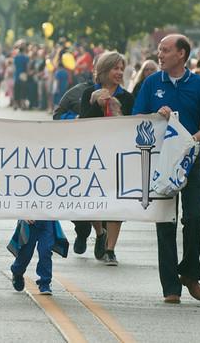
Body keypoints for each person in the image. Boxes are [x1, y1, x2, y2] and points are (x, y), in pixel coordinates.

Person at [132, 34, 200, 304]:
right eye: (159, 50)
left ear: (181, 54)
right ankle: (170, 286)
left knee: (194, 217)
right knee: (165, 223)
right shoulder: (150, 83)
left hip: (191, 162)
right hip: (160, 163)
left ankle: (190, 274)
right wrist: (154, 116)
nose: (160, 54)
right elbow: (137, 119)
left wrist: (191, 142)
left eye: (166, 50)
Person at [76, 51, 132, 265]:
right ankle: (100, 232)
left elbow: (132, 123)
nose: (119, 72)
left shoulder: (126, 97)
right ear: (103, 71)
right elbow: (84, 122)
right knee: (95, 199)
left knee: (117, 201)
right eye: (115, 68)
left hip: (118, 155)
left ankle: (110, 248)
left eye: (121, 68)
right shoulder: (89, 92)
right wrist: (97, 105)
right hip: (94, 155)